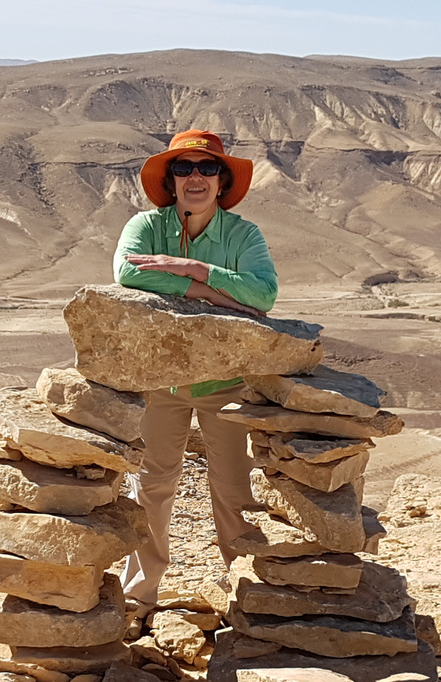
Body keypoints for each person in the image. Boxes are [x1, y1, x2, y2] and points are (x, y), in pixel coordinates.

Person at [113, 129, 279, 613]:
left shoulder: (243, 235)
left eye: (207, 168)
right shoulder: (146, 225)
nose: (196, 177)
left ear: (222, 181)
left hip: (227, 382)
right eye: (184, 168)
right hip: (159, 380)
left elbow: (264, 294)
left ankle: (248, 597)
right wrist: (207, 293)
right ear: (171, 180)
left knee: (234, 490)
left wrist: (193, 268)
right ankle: (138, 598)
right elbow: (127, 272)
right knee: (151, 487)